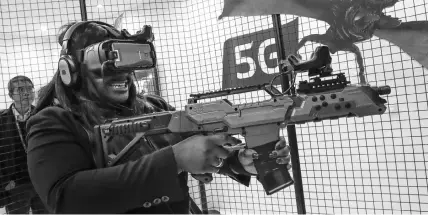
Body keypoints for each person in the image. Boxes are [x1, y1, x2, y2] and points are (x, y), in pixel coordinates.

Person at [26, 21, 292, 214]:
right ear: (70, 71)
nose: (123, 77)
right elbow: (66, 199)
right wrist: (173, 160)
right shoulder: (52, 122)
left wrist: (240, 160)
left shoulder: (154, 106)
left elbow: (203, 150)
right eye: (107, 71)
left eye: (128, 69)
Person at [0, 76, 48, 214]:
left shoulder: (43, 115)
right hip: (15, 186)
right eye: (20, 89)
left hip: (42, 182)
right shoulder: (2, 121)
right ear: (10, 95)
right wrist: (4, 183)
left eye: (29, 88)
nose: (27, 93)